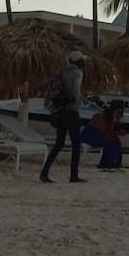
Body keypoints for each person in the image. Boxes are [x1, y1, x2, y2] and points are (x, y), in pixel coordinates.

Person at [40, 51, 86, 183]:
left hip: (59, 111)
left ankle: (44, 173)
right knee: (76, 143)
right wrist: (77, 101)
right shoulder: (77, 72)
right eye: (82, 61)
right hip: (71, 111)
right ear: (79, 62)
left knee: (59, 144)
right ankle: (73, 175)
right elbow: (75, 91)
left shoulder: (60, 71)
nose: (84, 63)